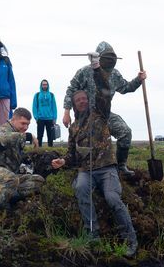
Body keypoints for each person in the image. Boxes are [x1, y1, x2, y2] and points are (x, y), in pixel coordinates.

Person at [51, 59, 138, 256]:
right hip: (86, 171)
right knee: (81, 190)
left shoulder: (101, 113)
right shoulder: (73, 128)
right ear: (74, 105)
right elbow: (72, 155)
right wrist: (63, 161)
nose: (81, 101)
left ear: (89, 100)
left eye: (84, 98)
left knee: (112, 198)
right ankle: (93, 234)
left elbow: (105, 89)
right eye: (78, 100)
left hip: (107, 169)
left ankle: (130, 239)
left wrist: (97, 68)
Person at [62, 41, 146, 176]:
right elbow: (71, 90)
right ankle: (79, 165)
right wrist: (67, 111)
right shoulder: (84, 72)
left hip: (104, 114)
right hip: (86, 116)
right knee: (87, 143)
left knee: (125, 133)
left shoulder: (115, 74)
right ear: (98, 58)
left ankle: (121, 166)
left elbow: (126, 88)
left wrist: (139, 79)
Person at [0, 107, 44, 223]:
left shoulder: (18, 135)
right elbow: (2, 139)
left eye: (28, 125)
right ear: (13, 119)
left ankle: (6, 197)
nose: (25, 127)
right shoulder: (2, 130)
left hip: (8, 175)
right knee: (10, 179)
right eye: (23, 123)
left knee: (38, 181)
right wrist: (28, 136)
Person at [32, 79, 58, 147]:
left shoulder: (51, 95)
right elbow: (34, 107)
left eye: (46, 84)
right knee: (40, 135)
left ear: (48, 85)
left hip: (50, 118)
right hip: (40, 118)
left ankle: (50, 149)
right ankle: (38, 149)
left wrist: (54, 118)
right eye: (43, 84)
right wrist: (36, 117)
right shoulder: (37, 95)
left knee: (50, 136)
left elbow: (54, 107)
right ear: (41, 85)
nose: (45, 86)